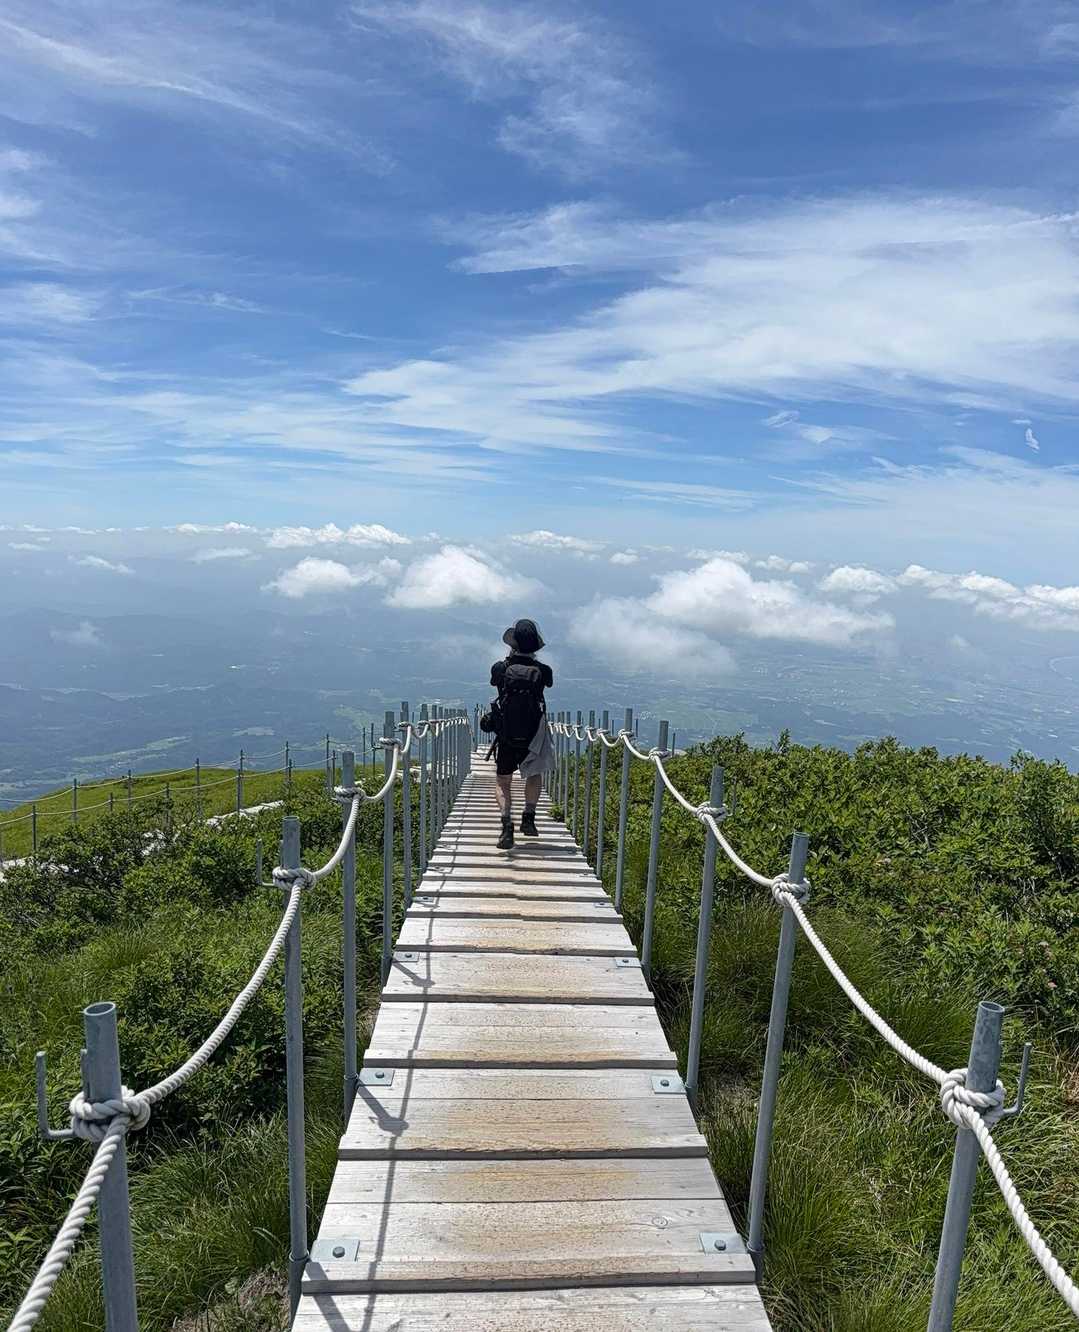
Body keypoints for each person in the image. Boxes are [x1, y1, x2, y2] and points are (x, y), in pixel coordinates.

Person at [488, 618, 554, 849]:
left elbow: (494, 683)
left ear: (512, 644)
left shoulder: (500, 668)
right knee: (534, 774)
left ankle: (507, 825)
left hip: (506, 734)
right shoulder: (543, 671)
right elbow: (548, 685)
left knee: (503, 780)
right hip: (534, 735)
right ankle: (529, 817)